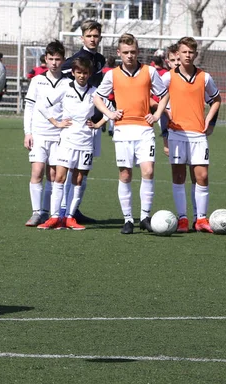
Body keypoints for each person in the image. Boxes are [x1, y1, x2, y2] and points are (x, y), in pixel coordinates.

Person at [93, 33, 169, 234]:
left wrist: (158, 114)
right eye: (125, 52)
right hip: (122, 130)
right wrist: (110, 113)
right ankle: (128, 219)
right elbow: (97, 97)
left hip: (144, 129)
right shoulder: (112, 75)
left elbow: (164, 95)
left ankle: (145, 217)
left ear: (138, 52)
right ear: (119, 53)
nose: (130, 56)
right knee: (125, 174)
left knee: (148, 171)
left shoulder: (150, 72)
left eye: (133, 52)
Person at [36, 57, 108, 230]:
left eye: (85, 73)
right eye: (78, 72)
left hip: (85, 142)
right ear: (73, 73)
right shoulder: (65, 89)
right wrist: (57, 123)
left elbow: (111, 110)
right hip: (67, 140)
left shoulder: (95, 92)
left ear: (89, 74)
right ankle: (54, 217)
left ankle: (69, 217)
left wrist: (98, 124)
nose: (82, 76)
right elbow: (42, 105)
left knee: (78, 179)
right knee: (59, 178)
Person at [162, 36, 221, 233]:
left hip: (198, 135)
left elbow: (216, 99)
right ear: (177, 54)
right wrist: (166, 111)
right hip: (176, 134)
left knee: (202, 176)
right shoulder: (168, 77)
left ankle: (201, 219)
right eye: (184, 52)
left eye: (190, 52)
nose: (187, 55)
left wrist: (210, 121)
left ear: (195, 54)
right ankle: (183, 219)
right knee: (178, 177)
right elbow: (156, 100)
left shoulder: (205, 77)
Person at [59, 19, 106, 224]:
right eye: (89, 36)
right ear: (82, 38)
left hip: (92, 123)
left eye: (96, 36)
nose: (93, 39)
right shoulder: (76, 59)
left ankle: (74, 210)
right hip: (75, 126)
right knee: (69, 169)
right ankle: (62, 210)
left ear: (100, 37)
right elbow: (58, 78)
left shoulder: (101, 59)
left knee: (84, 171)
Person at [23, 40, 67, 227]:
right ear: (46, 60)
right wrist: (28, 132)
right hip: (39, 133)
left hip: (59, 135)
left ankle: (49, 212)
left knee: (53, 173)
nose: (54, 63)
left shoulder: (68, 82)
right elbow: (30, 107)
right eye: (51, 59)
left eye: (58, 59)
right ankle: (36, 212)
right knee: (37, 171)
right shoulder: (38, 80)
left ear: (63, 60)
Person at [102, 55, 117, 137]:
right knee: (113, 111)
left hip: (105, 94)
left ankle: (103, 123)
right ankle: (111, 129)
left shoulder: (104, 70)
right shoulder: (116, 71)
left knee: (105, 110)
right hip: (113, 94)